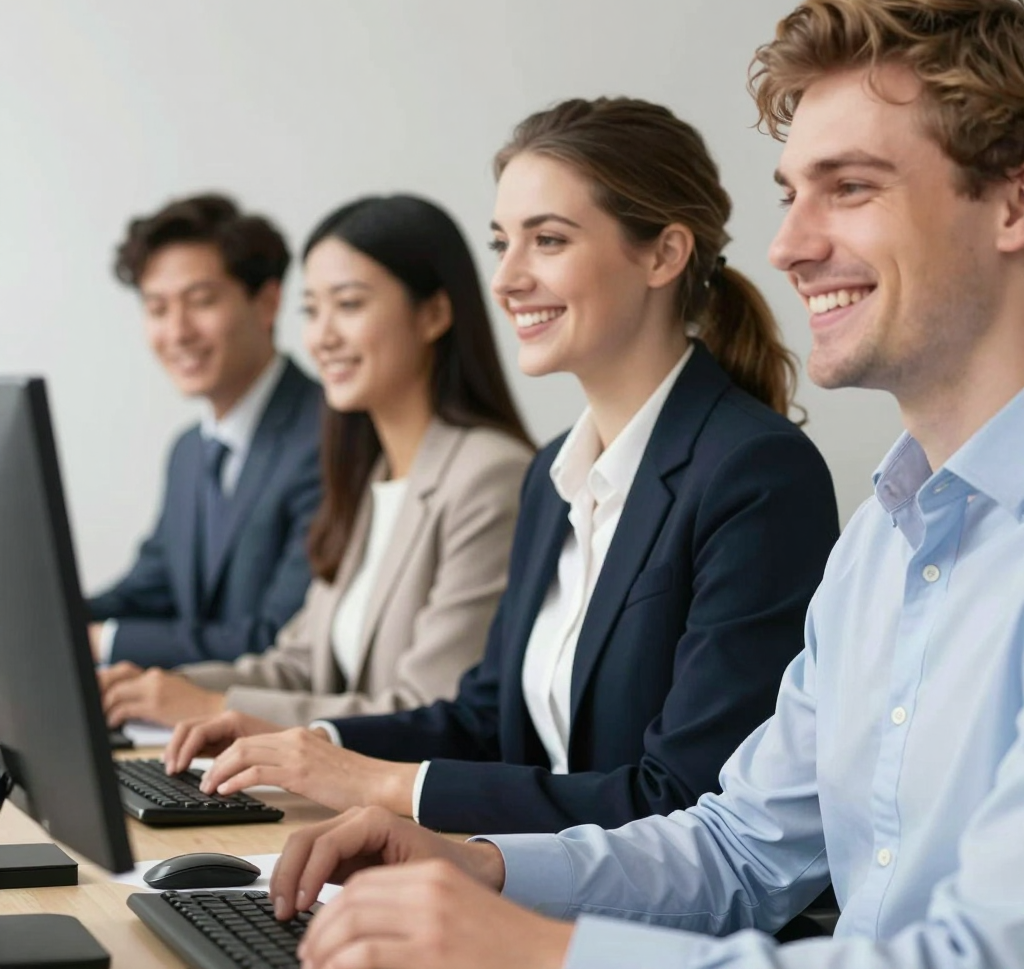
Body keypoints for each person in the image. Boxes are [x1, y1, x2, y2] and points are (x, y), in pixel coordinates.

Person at [261, 0, 1024, 969]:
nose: (788, 246)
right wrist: (480, 864)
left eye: (851, 186)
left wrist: (533, 951)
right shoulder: (881, 541)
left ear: (1010, 205)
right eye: (791, 194)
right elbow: (738, 847)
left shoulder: (765, 476)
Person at [164, 96, 839, 838]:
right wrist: (313, 746)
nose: (505, 280)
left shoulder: (754, 475)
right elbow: (486, 718)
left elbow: (681, 798)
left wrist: (382, 785)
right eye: (501, 244)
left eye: (547, 241)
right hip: (523, 887)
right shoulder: (554, 474)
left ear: (663, 254)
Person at [98, 195, 534, 728]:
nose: (322, 338)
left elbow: (430, 712)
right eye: (312, 310)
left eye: (348, 305)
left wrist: (213, 707)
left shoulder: (489, 476)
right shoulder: (370, 474)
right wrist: (162, 689)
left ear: (434, 314)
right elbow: (298, 665)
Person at [88, 193, 322, 669]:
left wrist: (103, 643)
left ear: (268, 302)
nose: (177, 332)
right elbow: (147, 590)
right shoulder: (189, 452)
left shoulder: (327, 435)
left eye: (201, 302)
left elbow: (276, 636)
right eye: (157, 309)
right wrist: (42, 619)